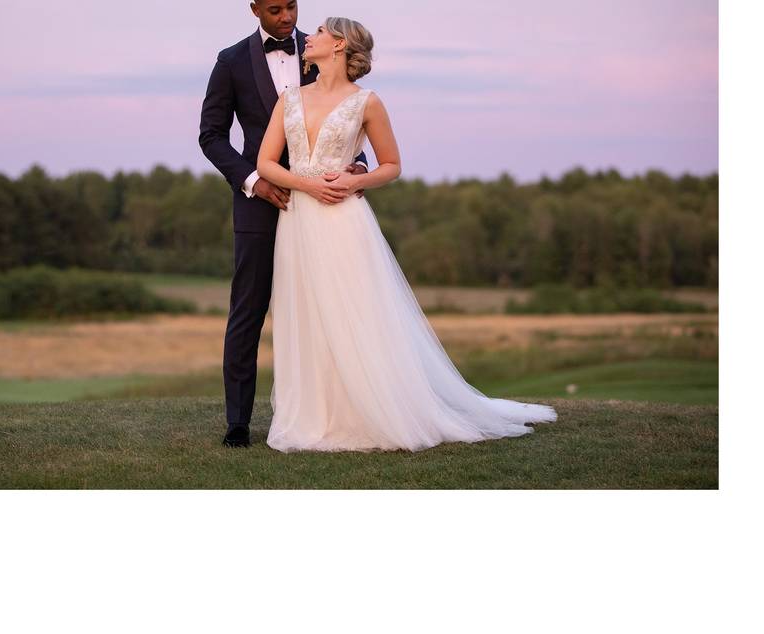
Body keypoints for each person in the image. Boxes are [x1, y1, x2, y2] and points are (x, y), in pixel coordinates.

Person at [256, 17, 559, 452]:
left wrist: (353, 182)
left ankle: (366, 410)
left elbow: (391, 165)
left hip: (343, 220)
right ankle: (312, 414)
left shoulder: (368, 103)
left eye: (321, 31)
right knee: (305, 313)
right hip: (298, 217)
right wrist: (306, 184)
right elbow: (267, 163)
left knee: (353, 314)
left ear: (338, 45)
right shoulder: (288, 99)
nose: (311, 37)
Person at [199, 1, 368, 447]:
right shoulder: (231, 61)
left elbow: (350, 114)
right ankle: (238, 422)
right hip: (258, 202)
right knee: (248, 310)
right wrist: (253, 181)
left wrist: (357, 166)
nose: (287, 17)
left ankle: (336, 413)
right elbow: (211, 135)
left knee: (334, 307)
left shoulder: (322, 49)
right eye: (275, 9)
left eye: (292, 6)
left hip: (326, 203)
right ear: (254, 9)